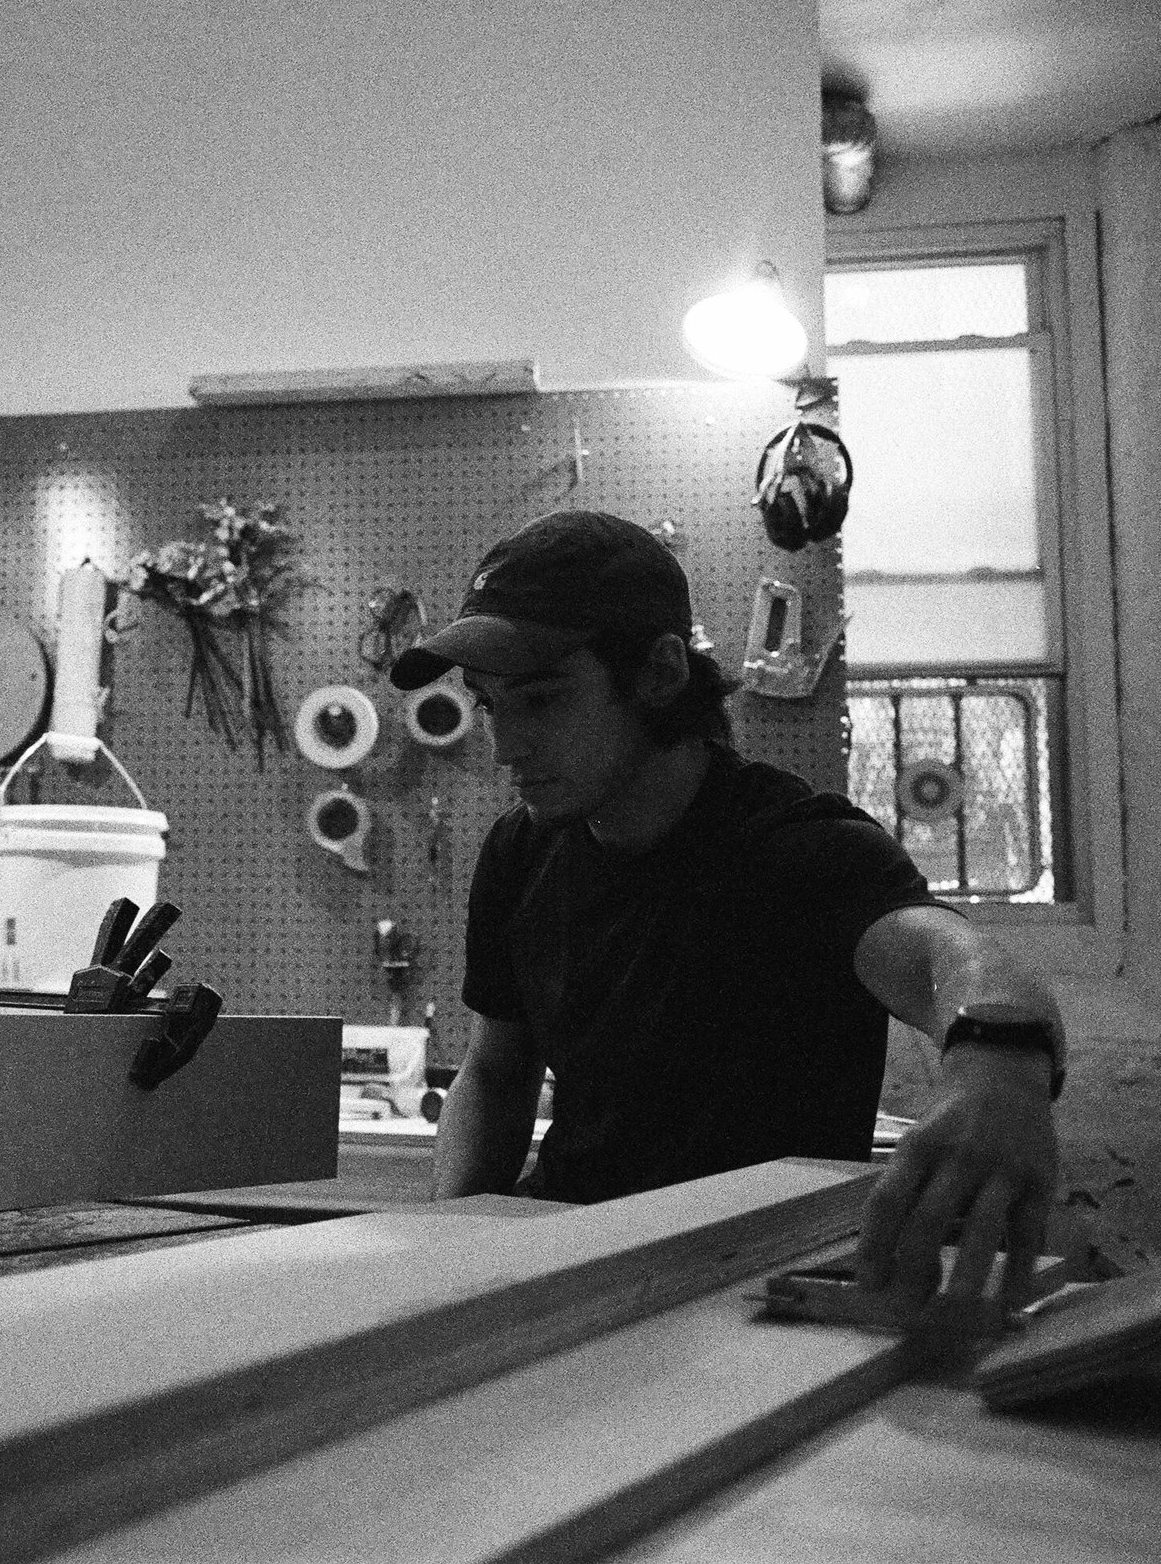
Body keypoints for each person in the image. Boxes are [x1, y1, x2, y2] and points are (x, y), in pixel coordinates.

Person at [391, 509, 1063, 1316]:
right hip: (573, 1267)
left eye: (540, 700)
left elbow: (949, 957)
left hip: (748, 1289)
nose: (505, 747)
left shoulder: (800, 850)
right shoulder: (520, 851)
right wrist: (449, 1248)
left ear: (659, 672)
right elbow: (497, 1073)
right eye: (491, 706)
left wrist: (998, 1066)